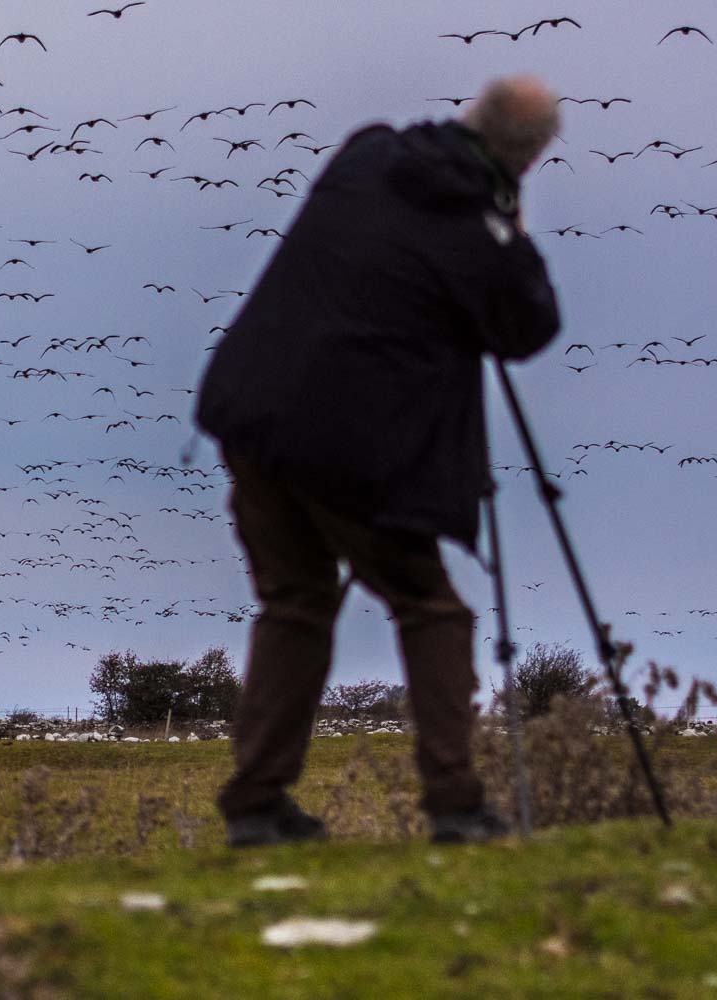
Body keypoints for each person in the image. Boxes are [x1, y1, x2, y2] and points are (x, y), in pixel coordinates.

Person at [194, 76, 563, 846]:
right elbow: (526, 324)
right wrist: (510, 224)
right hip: (357, 446)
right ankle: (457, 805)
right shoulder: (477, 229)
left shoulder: (368, 154)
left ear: (467, 116)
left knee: (295, 602)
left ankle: (257, 805)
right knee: (432, 610)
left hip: (255, 414)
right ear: (527, 162)